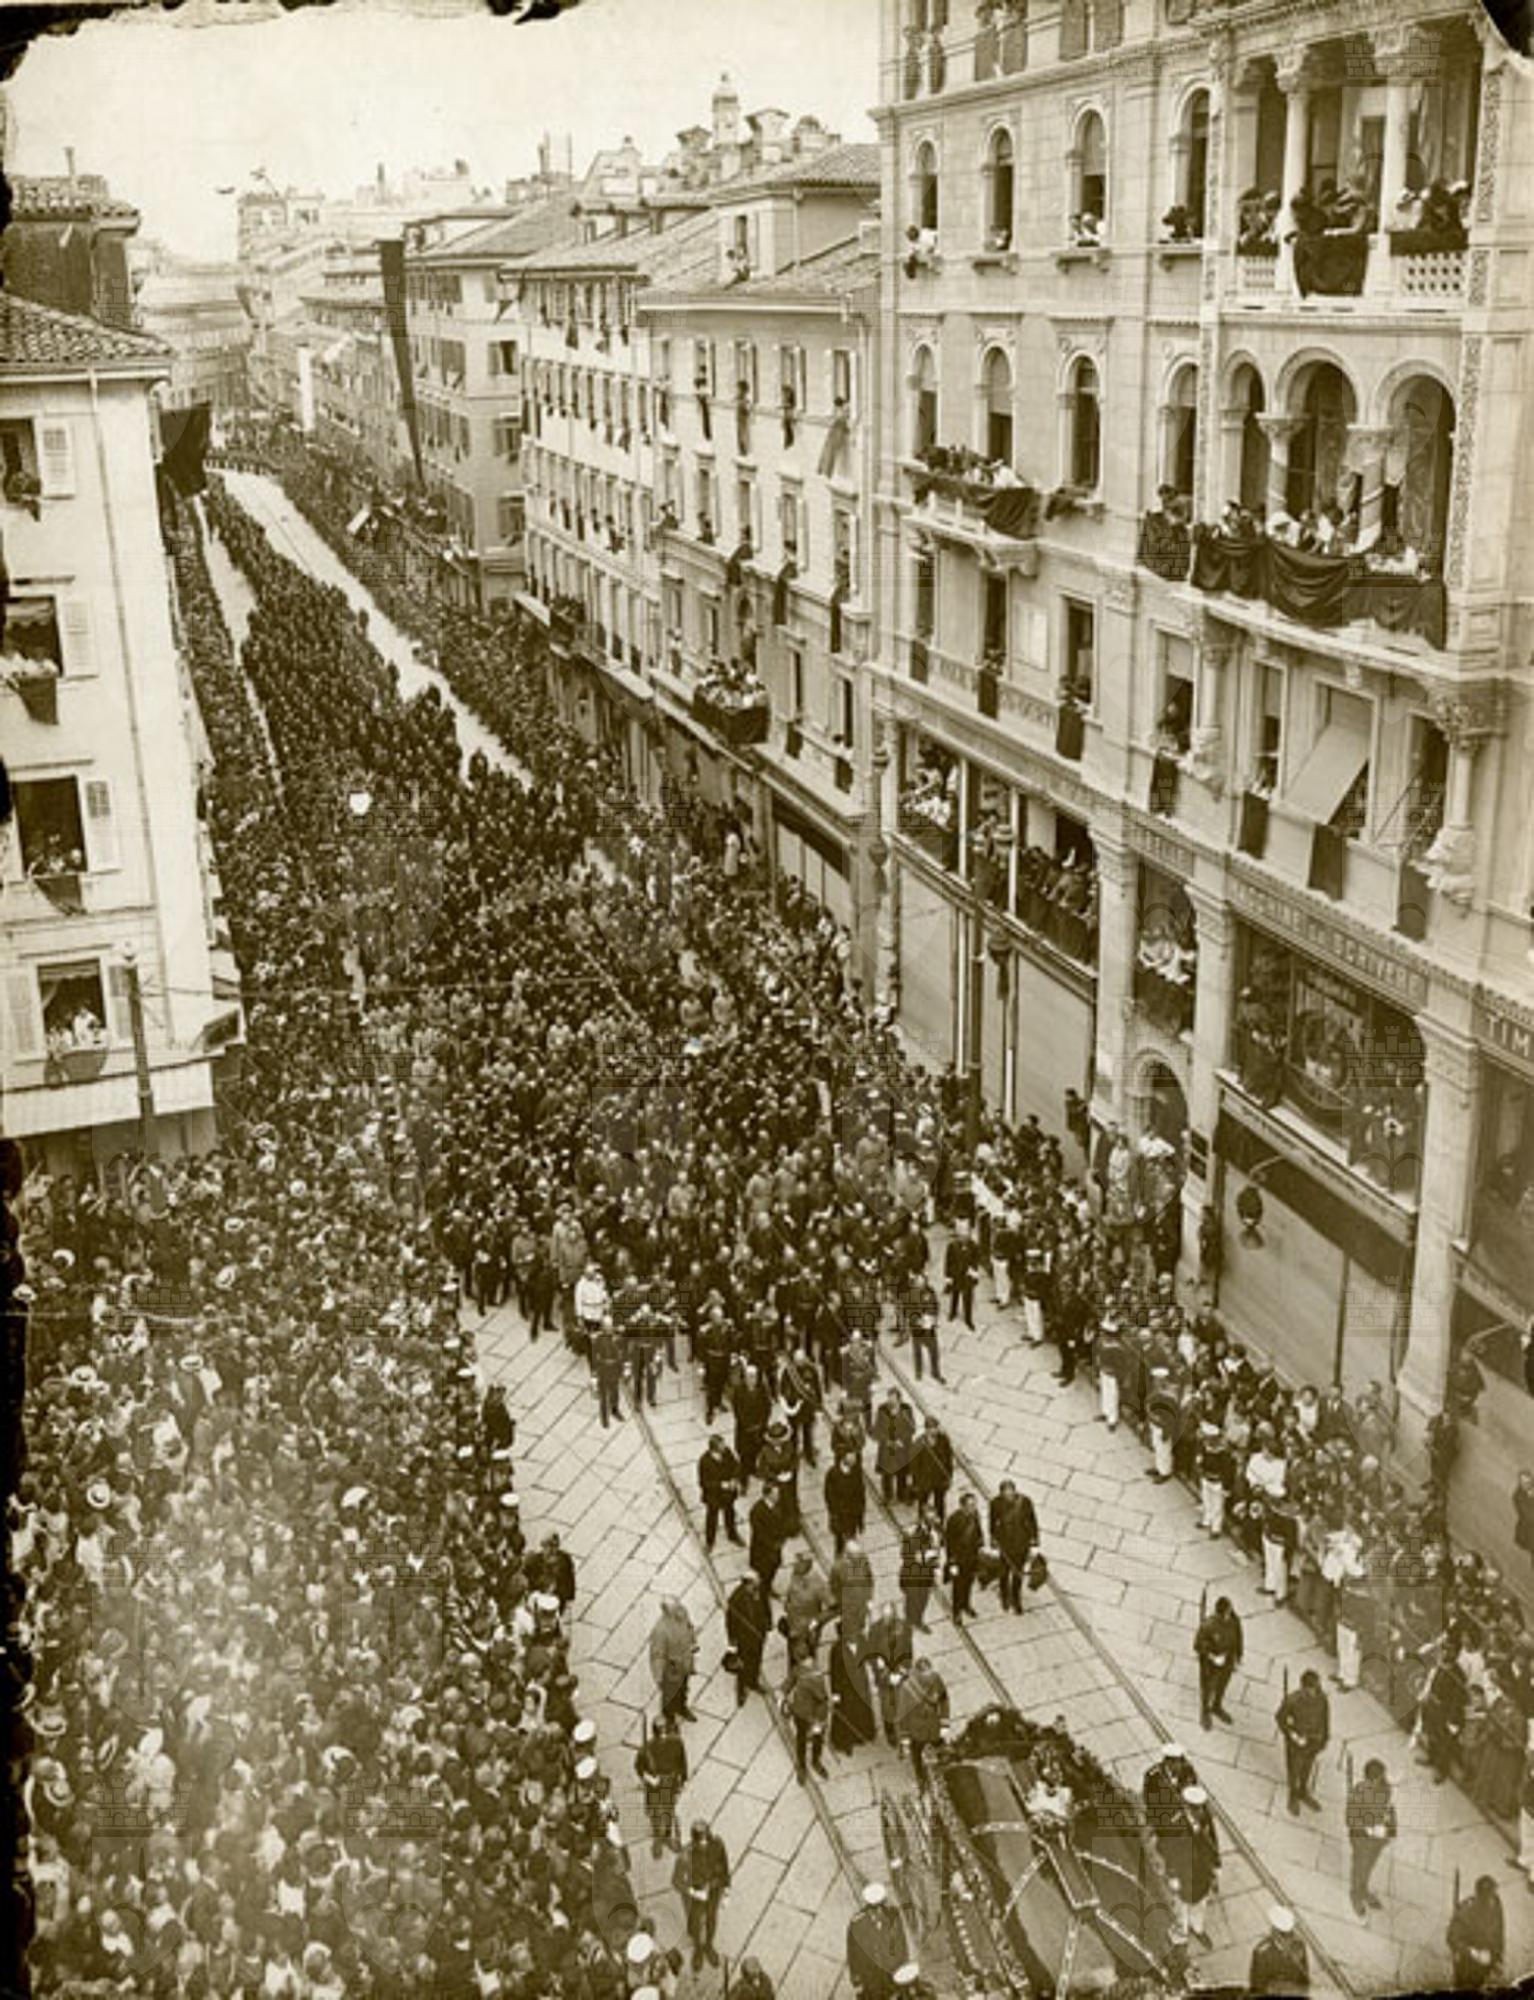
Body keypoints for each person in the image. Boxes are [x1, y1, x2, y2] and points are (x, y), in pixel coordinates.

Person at [1163, 1782, 1219, 1948]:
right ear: (1186, 1806)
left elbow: (1211, 1842)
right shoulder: (1175, 1823)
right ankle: (1180, 1936)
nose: (1198, 1812)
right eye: (1194, 1808)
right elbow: (1169, 1849)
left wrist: (1215, 1866)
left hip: (1202, 1870)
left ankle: (1197, 1927)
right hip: (1184, 1872)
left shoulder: (1204, 1819)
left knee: (1201, 1902)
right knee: (1182, 1906)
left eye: (1200, 1808)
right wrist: (1172, 1875)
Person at [673, 1820, 731, 1972]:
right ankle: (698, 1949)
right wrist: (694, 1893)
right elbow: (676, 1882)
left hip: (713, 1891)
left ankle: (709, 1946)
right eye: (701, 1841)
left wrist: (726, 1891)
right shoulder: (685, 1857)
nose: (705, 1844)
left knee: (711, 1919)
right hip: (695, 1898)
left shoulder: (718, 1845)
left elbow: (725, 1868)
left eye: (707, 1839)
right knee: (695, 1925)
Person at [1344, 1757, 1396, 1916]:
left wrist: (1390, 1831)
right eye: (1380, 1777)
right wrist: (1370, 1830)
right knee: (1360, 1867)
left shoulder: (1386, 1789)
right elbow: (1350, 1819)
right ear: (1371, 1779)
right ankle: (1356, 1895)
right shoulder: (1359, 1792)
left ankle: (1363, 1889)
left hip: (1378, 1838)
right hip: (1362, 1839)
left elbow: (1389, 1809)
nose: (1384, 1779)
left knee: (1370, 1866)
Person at [1276, 1668, 1329, 1815]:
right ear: (1303, 1687)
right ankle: (1293, 1796)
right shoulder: (1292, 1700)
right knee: (1294, 1771)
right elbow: (1280, 1719)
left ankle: (1303, 1792)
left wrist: (1324, 1739)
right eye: (1311, 1688)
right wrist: (1292, 1735)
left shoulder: (1322, 1698)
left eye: (1316, 1687)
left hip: (1314, 1741)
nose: (1314, 1692)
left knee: (1307, 1767)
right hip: (1297, 1743)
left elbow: (1325, 1719)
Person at [635, 1715, 688, 1857]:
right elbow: (639, 1768)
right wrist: (649, 1779)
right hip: (654, 1786)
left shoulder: (677, 1742)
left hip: (670, 1783)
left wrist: (682, 1780)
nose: (664, 1735)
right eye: (661, 1732)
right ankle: (657, 1836)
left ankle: (667, 1836)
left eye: (665, 1731)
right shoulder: (647, 1748)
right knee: (655, 1812)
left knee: (669, 1809)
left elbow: (682, 1762)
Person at [864, 1599, 914, 1748]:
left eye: (890, 1616)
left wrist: (901, 1672)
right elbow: (870, 1654)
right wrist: (880, 1667)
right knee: (886, 1706)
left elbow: (908, 1653)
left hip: (899, 1675)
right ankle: (890, 1732)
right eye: (885, 1616)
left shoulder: (904, 1628)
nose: (887, 1619)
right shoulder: (875, 1630)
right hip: (883, 1676)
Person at [846, 1882, 907, 2000]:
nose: (878, 1911)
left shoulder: (893, 1915)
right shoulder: (857, 1924)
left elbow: (901, 1941)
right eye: (874, 1908)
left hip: (892, 1971)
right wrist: (856, 1979)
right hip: (871, 1976)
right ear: (867, 1907)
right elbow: (853, 1953)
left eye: (881, 1906)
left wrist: (903, 1964)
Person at [897, 1656, 949, 1789]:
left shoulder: (936, 1679)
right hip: (916, 1730)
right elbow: (902, 1715)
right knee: (917, 1756)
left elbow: (944, 1700)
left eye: (930, 1674)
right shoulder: (906, 1688)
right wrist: (904, 1737)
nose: (929, 1679)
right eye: (925, 1676)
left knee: (941, 1750)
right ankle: (921, 1778)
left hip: (934, 1725)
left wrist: (944, 1723)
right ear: (918, 1674)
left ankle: (943, 1772)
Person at [1446, 1874, 1505, 1991]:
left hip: (1485, 1964)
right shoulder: (1466, 1911)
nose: (1492, 1900)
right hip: (1467, 1964)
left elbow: (1499, 1933)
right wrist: (1474, 1953)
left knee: (1479, 1985)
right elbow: (1452, 1938)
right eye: (1489, 1897)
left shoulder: (1496, 1906)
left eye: (1493, 1895)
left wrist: (1497, 1958)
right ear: (1480, 1896)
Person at [828, 1623, 879, 1754]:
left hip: (861, 1682)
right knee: (846, 1713)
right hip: (845, 1687)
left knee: (862, 1709)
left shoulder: (862, 1641)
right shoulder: (836, 1650)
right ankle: (843, 1743)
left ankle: (863, 1735)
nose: (853, 1636)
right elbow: (834, 1672)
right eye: (850, 1634)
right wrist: (835, 1692)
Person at [990, 1478, 1038, 1615]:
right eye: (1005, 1493)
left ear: (1014, 1491)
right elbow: (993, 1522)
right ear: (1001, 1494)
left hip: (1021, 1543)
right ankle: (1005, 1597)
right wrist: (993, 1539)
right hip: (1005, 1544)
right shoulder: (995, 1503)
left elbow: (1032, 1521)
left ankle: (1016, 1599)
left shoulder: (1025, 1502)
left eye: (1010, 1492)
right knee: (1004, 1572)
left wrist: (1034, 1540)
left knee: (1018, 1573)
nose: (1008, 1495)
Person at [1194, 1594, 1243, 1729]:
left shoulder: (1234, 1620)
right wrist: (1212, 1656)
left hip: (1228, 1660)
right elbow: (1198, 1645)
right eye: (1228, 1611)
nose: (1230, 1613)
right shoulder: (1208, 1625)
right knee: (1207, 1688)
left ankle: (1217, 1706)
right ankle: (1205, 1712)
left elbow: (1239, 1638)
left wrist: (1238, 1656)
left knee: (1222, 1685)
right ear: (1221, 1613)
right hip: (1210, 1664)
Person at [725, 1570, 771, 1706]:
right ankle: (741, 1690)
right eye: (754, 1584)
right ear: (747, 1584)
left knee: (756, 1659)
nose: (757, 1586)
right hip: (743, 1639)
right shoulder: (736, 1600)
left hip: (758, 1635)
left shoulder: (760, 1590)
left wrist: (768, 1622)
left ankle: (753, 1682)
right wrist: (732, 1643)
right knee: (742, 1665)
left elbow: (766, 1606)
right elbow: (730, 1623)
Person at [650, 1598, 699, 1725]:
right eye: (674, 1608)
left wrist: (694, 1645)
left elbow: (690, 1630)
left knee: (683, 1689)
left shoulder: (683, 1614)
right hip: (671, 1668)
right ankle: (669, 1717)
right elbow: (657, 1656)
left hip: (685, 1662)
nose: (679, 1610)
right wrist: (659, 1677)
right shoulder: (661, 1630)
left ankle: (682, 1708)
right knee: (670, 1695)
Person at [784, 1650, 831, 1782]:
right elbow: (791, 1680)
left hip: (815, 1715)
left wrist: (819, 1721)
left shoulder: (816, 1677)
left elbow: (822, 1699)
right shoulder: (799, 1668)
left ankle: (815, 1761)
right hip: (800, 1712)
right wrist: (783, 1693)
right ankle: (802, 1765)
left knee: (817, 1739)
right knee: (801, 1739)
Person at [1249, 1906, 1309, 1995]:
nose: (1288, 1939)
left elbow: (1304, 1980)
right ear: (1274, 1932)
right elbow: (1258, 1987)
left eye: (1290, 1934)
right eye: (1283, 1934)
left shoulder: (1299, 1946)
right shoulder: (1262, 1952)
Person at [828, 1539, 876, 1649]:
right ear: (847, 1555)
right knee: (850, 1628)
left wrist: (870, 1598)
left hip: (862, 1601)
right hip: (848, 1604)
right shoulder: (838, 1567)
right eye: (855, 1556)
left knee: (861, 1623)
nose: (858, 1558)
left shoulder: (863, 1561)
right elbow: (834, 1586)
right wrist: (841, 1602)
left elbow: (870, 1579)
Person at [783, 1550, 829, 1665]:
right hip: (793, 1627)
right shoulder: (795, 1575)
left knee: (807, 1660)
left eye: (798, 1562)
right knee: (793, 1657)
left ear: (806, 1565)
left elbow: (834, 1606)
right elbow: (791, 1594)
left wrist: (817, 1621)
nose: (795, 1565)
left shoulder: (818, 1584)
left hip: (807, 1632)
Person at [699, 1432, 743, 1551]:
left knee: (730, 1514)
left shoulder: (727, 1452)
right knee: (712, 1518)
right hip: (713, 1496)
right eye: (722, 1445)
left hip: (728, 1494)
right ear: (714, 1448)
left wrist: (734, 1479)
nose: (724, 1446)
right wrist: (721, 1485)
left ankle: (732, 1535)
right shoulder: (704, 1461)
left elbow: (736, 1466)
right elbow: (704, 1483)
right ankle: (710, 1542)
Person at [944, 1491, 984, 1622]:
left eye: (974, 1504)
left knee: (969, 1583)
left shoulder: (975, 1515)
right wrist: (952, 1562)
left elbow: (978, 1531)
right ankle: (956, 1611)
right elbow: (949, 1543)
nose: (973, 1507)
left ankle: (966, 1604)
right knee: (958, 1586)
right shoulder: (954, 1520)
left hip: (972, 1557)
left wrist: (980, 1541)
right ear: (962, 1506)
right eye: (970, 1505)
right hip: (959, 1559)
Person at [871, 1390, 914, 1509]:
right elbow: (877, 1429)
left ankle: (901, 1494)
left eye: (893, 1398)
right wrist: (887, 1441)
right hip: (887, 1449)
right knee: (886, 1474)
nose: (891, 1400)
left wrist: (901, 1440)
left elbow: (911, 1428)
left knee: (902, 1473)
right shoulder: (882, 1410)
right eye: (889, 1397)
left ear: (899, 1399)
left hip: (901, 1448)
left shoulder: (906, 1410)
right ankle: (887, 1495)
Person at [909, 1417, 953, 1526]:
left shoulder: (944, 1440)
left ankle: (940, 1522)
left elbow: (948, 1458)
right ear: (926, 1429)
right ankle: (922, 1522)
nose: (933, 1431)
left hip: (940, 1478)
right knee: (923, 1502)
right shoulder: (919, 1443)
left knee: (940, 1502)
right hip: (925, 1479)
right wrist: (916, 1481)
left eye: (934, 1428)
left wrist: (949, 1475)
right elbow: (914, 1465)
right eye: (930, 1428)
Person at [900, 1515, 940, 1633]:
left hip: (926, 1574)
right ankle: (909, 1621)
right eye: (930, 1521)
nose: (932, 1524)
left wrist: (935, 1567)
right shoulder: (911, 1534)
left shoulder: (933, 1535)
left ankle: (918, 1620)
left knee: (923, 1599)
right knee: (912, 1599)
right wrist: (923, 1557)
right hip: (913, 1574)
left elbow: (935, 1553)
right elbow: (906, 1555)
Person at [749, 1484, 788, 1600]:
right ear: (768, 1495)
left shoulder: (778, 1505)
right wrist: (773, 1544)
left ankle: (767, 1587)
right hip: (763, 1550)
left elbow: (783, 1521)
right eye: (775, 1494)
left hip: (775, 1546)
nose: (778, 1496)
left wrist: (783, 1537)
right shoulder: (757, 1510)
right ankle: (762, 1592)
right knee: (763, 1572)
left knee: (773, 1567)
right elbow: (759, 1533)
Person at [825, 1448, 867, 1552]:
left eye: (854, 1457)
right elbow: (829, 1495)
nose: (854, 1459)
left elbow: (861, 1492)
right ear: (843, 1458)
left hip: (853, 1512)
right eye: (851, 1457)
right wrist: (834, 1511)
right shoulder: (833, 1473)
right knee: (839, 1537)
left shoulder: (856, 1472)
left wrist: (860, 1513)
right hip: (839, 1513)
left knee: (851, 1537)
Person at [943, 1220, 979, 1328]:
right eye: (962, 1234)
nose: (964, 1236)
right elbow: (948, 1262)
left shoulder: (973, 1245)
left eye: (966, 1233)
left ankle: (968, 1319)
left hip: (967, 1275)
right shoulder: (952, 1246)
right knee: (955, 1294)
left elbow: (975, 1260)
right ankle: (953, 1313)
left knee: (967, 1297)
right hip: (955, 1275)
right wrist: (948, 1276)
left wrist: (974, 1271)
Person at [593, 1318, 626, 1429]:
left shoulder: (616, 1338)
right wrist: (595, 1373)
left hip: (614, 1370)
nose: (609, 1328)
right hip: (603, 1370)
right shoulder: (598, 1340)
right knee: (603, 1397)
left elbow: (621, 1354)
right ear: (603, 1327)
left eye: (610, 1326)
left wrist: (622, 1369)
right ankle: (604, 1419)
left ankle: (614, 1410)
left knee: (615, 1393)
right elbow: (595, 1357)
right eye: (607, 1326)